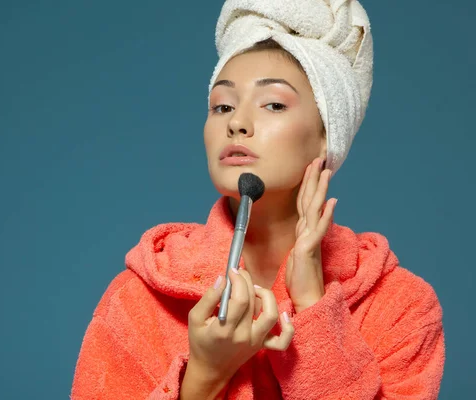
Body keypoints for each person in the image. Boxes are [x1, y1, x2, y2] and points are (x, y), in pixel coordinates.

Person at [70, 0, 445, 399]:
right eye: (222, 106)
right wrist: (205, 376)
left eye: (274, 104)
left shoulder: (400, 306)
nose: (237, 122)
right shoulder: (137, 300)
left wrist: (313, 309)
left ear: (328, 135)